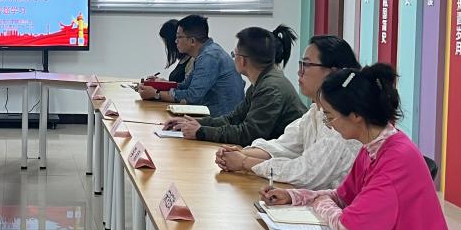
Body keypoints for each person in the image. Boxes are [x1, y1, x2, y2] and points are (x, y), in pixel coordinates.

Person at [261, 64, 461, 230]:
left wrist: (317, 202)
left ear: (355, 115)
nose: (329, 125)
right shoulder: (373, 147)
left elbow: (348, 226)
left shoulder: (396, 159)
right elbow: (341, 197)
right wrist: (294, 196)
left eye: (330, 116)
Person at [213, 35, 362, 189]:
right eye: (300, 64)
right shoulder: (316, 112)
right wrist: (241, 153)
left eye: (306, 65)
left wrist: (244, 162)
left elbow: (305, 173)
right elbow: (284, 146)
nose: (299, 72)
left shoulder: (344, 122)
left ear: (333, 72)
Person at [165, 25, 305, 144]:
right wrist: (194, 123)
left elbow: (248, 134)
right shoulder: (261, 82)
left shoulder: (270, 88)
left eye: (234, 54)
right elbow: (233, 118)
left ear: (242, 60)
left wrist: (201, 132)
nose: (233, 59)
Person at [136, 15, 243, 115]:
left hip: (221, 121)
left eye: (179, 37)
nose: (175, 41)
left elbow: (192, 96)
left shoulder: (209, 57)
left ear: (192, 41)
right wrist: (160, 85)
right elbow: (185, 85)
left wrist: (156, 94)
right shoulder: (205, 53)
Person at [145, 19, 189, 84]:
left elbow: (186, 88)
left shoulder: (192, 61)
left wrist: (161, 86)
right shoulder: (183, 59)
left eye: (166, 42)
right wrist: (162, 81)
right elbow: (178, 84)